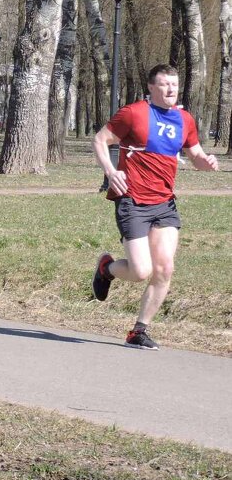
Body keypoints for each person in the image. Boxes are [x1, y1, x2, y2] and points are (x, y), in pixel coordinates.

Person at [91, 63, 219, 350]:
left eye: (174, 84)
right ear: (151, 87)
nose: (171, 89)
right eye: (164, 84)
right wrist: (111, 172)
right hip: (133, 201)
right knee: (140, 272)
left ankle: (138, 330)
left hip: (164, 204)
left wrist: (206, 162)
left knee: (164, 268)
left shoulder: (184, 119)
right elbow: (100, 140)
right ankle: (106, 269)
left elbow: (195, 154)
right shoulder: (134, 113)